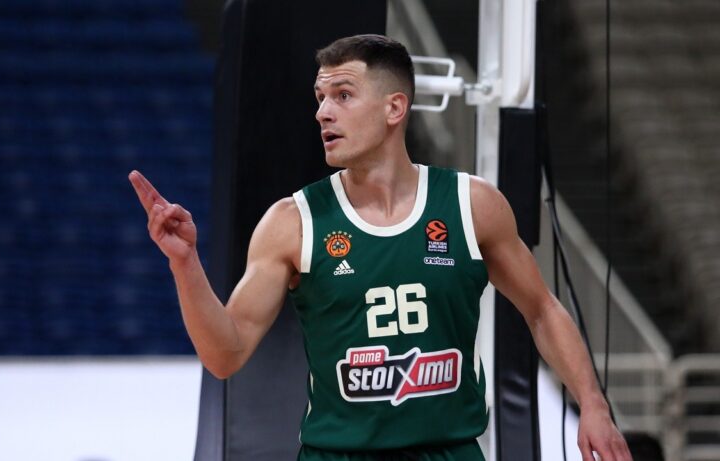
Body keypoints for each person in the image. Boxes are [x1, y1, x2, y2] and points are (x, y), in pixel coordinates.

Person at [129, 34, 632, 461]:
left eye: (343, 95)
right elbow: (226, 354)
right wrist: (185, 263)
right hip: (340, 453)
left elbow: (542, 309)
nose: (323, 112)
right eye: (320, 97)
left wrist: (592, 404)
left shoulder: (471, 204)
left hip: (450, 449)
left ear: (395, 108)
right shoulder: (293, 222)